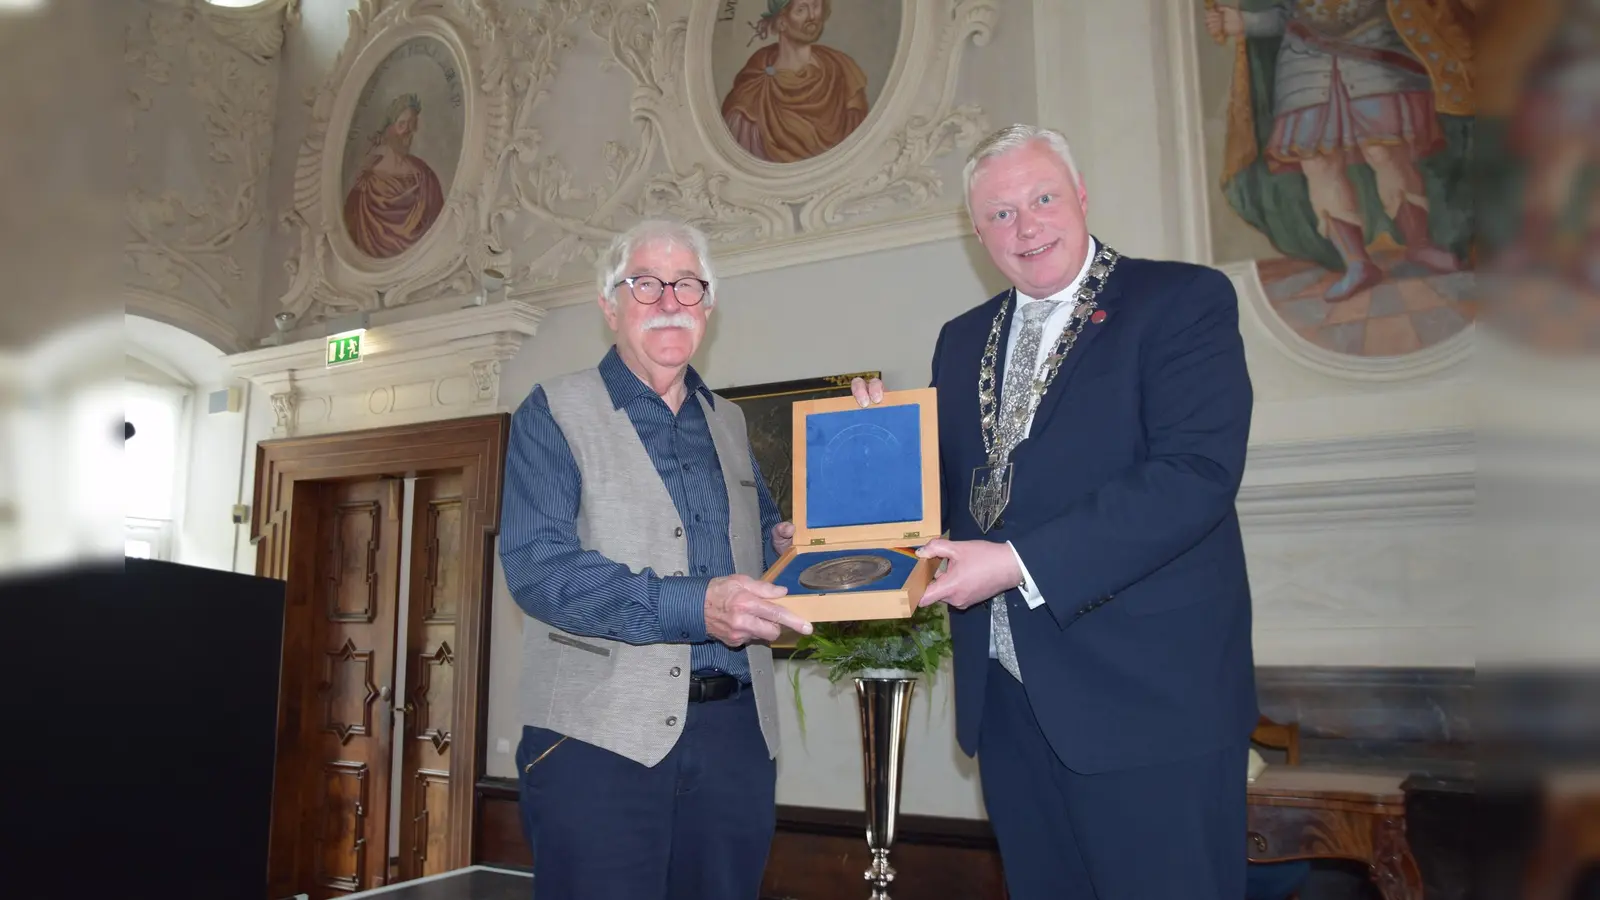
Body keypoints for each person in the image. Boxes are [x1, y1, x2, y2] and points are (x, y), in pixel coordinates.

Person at [852, 124, 1258, 899]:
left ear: (1080, 198)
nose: (1025, 225)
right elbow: (948, 498)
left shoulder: (1180, 301)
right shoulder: (962, 339)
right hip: (1009, 706)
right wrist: (866, 470)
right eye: (999, 214)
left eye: (1041, 198)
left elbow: (1195, 475)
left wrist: (1015, 564)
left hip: (1150, 704)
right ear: (977, 234)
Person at [499, 218, 814, 900]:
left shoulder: (728, 422)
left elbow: (757, 542)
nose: (669, 300)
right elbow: (541, 570)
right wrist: (695, 604)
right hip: (597, 745)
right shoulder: (552, 411)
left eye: (688, 285)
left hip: (735, 740)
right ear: (609, 305)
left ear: (708, 306)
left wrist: (796, 547)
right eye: (646, 284)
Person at [721, 0, 870, 163]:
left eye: (815, 6)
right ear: (782, 22)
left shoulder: (843, 71)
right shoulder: (753, 92)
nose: (812, 16)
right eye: (801, 10)